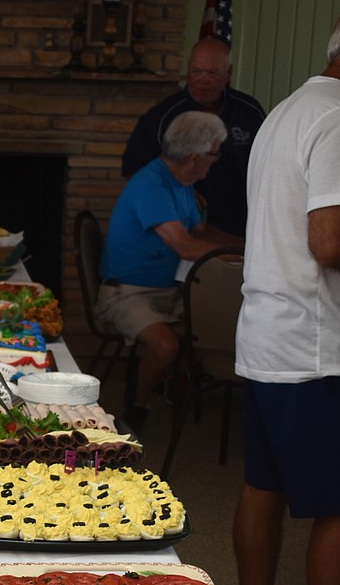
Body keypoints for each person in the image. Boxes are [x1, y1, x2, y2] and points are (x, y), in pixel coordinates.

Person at [232, 8, 340, 585]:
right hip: (317, 345)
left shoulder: (287, 110)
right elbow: (330, 241)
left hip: (267, 335)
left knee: (263, 486)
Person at [95, 110, 242, 433]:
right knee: (166, 347)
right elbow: (186, 247)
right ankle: (137, 405)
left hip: (169, 290)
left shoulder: (181, 182)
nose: (214, 162)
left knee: (210, 326)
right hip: (126, 292)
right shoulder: (152, 185)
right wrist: (246, 256)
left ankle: (171, 382)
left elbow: (200, 232)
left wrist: (248, 245)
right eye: (214, 155)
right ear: (194, 157)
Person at [121, 38, 265, 237]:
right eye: (196, 71)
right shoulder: (163, 116)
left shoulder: (249, 112)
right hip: (182, 224)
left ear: (228, 73)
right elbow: (134, 170)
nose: (203, 80)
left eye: (213, 73)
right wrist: (177, 192)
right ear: (188, 70)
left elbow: (271, 165)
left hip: (242, 222)